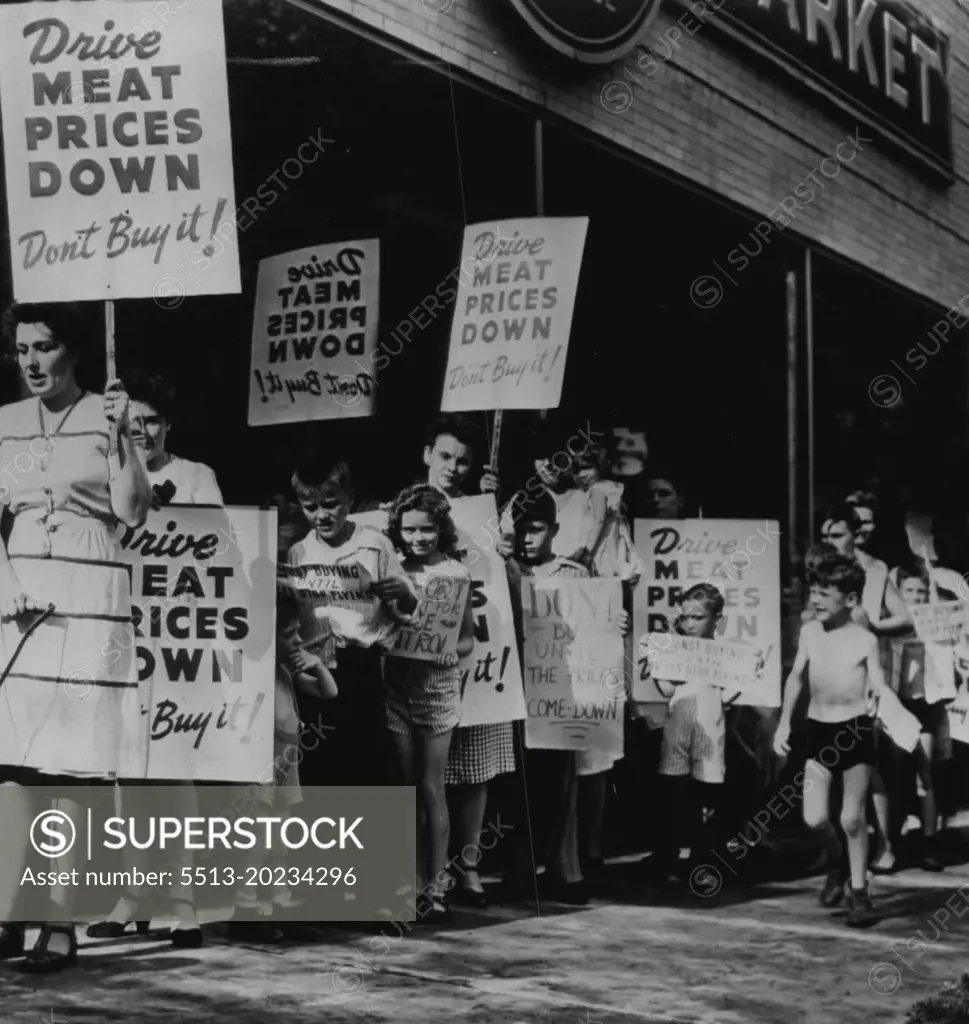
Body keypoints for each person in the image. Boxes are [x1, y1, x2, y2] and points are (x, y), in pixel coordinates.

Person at [0, 301, 152, 971]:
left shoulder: (110, 413)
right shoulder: (4, 424)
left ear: (76, 351)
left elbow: (133, 511)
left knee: (74, 770)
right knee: (16, 768)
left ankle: (58, 921)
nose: (31, 361)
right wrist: (10, 594)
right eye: (22, 348)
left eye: (46, 346)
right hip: (21, 599)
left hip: (92, 598)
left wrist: (126, 442)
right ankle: (15, 911)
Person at [502, 489, 629, 904]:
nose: (527, 538)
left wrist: (616, 623)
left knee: (562, 787)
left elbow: (595, 628)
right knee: (517, 787)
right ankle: (519, 869)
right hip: (513, 692)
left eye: (536, 529)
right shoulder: (504, 570)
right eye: (521, 529)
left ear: (554, 530)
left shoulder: (573, 574)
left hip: (559, 693)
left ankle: (563, 868)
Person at [410, 415, 510, 908]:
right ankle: (424, 873)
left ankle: (466, 865)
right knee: (426, 777)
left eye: (463, 460)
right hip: (420, 669)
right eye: (445, 456)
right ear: (427, 453)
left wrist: (499, 523)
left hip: (477, 655)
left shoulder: (484, 513)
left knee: (476, 768)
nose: (453, 467)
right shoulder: (402, 510)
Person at [773, 551, 893, 928]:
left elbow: (878, 681)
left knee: (852, 817)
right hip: (819, 730)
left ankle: (859, 891)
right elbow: (796, 677)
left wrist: (877, 696)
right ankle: (841, 860)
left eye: (826, 594)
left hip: (855, 730)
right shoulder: (809, 632)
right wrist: (783, 724)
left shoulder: (865, 639)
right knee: (814, 818)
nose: (816, 600)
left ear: (851, 599)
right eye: (815, 592)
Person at [285, 452, 418, 787]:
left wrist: (402, 593)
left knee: (366, 760)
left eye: (330, 504)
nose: (321, 515)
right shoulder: (298, 552)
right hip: (315, 670)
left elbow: (409, 610)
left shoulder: (374, 544)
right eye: (310, 507)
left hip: (361, 666)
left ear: (351, 498)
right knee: (321, 763)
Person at [383, 485, 474, 919]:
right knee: (403, 789)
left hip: (438, 692)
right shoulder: (394, 571)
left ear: (442, 528)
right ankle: (407, 883)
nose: (419, 537)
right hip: (398, 688)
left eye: (427, 529)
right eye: (410, 529)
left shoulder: (456, 575)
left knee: (432, 788)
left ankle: (436, 886)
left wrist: (447, 651)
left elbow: (468, 639)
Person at [228, 591, 337, 942]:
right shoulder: (249, 669)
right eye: (288, 633)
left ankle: (277, 902)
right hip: (259, 766)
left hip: (286, 765)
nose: (298, 639)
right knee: (255, 842)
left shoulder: (286, 671)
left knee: (280, 842)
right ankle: (245, 906)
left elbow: (329, 693)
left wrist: (316, 664)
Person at [646, 584, 741, 886]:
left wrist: (748, 672)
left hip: (711, 733)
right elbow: (667, 690)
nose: (689, 624)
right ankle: (667, 857)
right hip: (677, 729)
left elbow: (728, 696)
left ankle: (703, 860)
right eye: (685, 617)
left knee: (708, 798)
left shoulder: (724, 654)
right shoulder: (675, 649)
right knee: (672, 793)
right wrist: (657, 664)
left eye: (698, 617)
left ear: (716, 619)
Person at [887, 562, 954, 872]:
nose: (915, 596)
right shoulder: (889, 623)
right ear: (899, 593)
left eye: (921, 591)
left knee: (925, 774)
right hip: (894, 704)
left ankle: (929, 843)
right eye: (909, 590)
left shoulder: (937, 624)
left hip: (923, 704)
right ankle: (891, 843)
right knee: (894, 772)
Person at [123, 370, 223, 506]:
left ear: (168, 423)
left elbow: (214, 526)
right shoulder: (109, 475)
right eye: (133, 422)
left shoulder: (197, 474)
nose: (142, 432)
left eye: (151, 421)